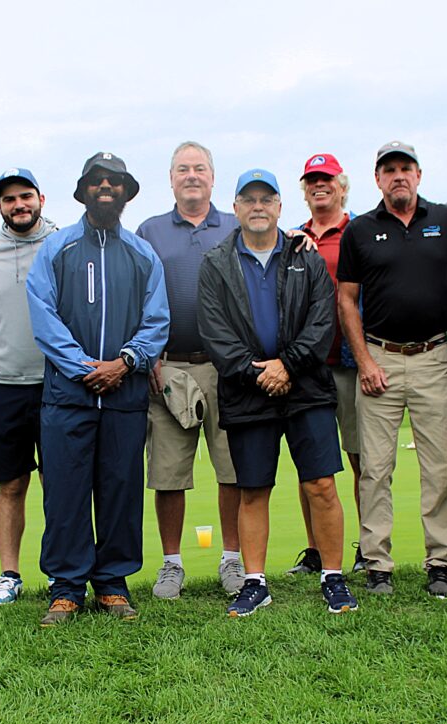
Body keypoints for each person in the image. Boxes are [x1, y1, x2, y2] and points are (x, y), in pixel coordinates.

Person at [198, 168, 357, 617]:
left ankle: (333, 576)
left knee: (322, 484)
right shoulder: (216, 263)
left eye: (266, 199)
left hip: (305, 385)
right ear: (236, 209)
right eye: (248, 199)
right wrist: (258, 372)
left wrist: (287, 364)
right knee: (253, 489)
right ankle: (255, 582)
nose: (258, 206)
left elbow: (322, 322)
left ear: (280, 206)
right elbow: (215, 332)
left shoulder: (303, 256)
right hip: (246, 390)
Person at [26, 152, 169, 626]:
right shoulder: (57, 249)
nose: (105, 188)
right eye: (96, 181)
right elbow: (43, 315)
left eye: (114, 182)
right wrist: (85, 366)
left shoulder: (142, 253)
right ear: (83, 191)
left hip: (124, 393)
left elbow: (156, 321)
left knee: (120, 490)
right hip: (69, 394)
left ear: (126, 193)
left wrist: (124, 363)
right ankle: (66, 588)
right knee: (65, 493)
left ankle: (112, 584)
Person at [337, 141, 447, 598]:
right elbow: (347, 300)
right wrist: (364, 361)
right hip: (380, 359)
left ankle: (439, 562)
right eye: (389, 170)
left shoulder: (446, 221)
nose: (398, 176)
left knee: (437, 467)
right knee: (376, 469)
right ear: (377, 179)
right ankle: (378, 564)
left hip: (434, 357)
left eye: (406, 168)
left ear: (419, 175)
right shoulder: (360, 230)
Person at [135, 142, 243, 599]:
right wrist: (148, 358)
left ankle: (234, 560)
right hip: (169, 369)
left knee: (233, 469)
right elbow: (136, 295)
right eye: (183, 169)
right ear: (172, 179)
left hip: (228, 368)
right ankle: (172, 564)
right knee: (168, 473)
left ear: (213, 178)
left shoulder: (237, 225)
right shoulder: (150, 230)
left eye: (200, 168)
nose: (192, 175)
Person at [0, 168, 58, 605]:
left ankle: (63, 570)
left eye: (25, 196)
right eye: (8, 200)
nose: (18, 205)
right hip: (0, 384)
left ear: (40, 197)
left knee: (61, 482)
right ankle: (10, 574)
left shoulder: (62, 241)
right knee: (12, 483)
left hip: (56, 379)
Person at [288, 153, 364, 576]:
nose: (320, 186)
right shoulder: (293, 237)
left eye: (327, 179)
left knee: (359, 460)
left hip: (351, 362)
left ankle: (365, 547)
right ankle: (314, 549)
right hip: (309, 365)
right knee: (310, 462)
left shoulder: (359, 231)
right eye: (312, 180)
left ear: (341, 185)